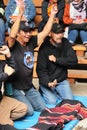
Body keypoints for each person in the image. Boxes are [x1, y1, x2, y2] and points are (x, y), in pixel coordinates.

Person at [7, 4, 58, 115]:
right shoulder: (12, 44)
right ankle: (8, 100)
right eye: (25, 32)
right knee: (29, 111)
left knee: (43, 109)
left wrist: (52, 15)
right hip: (15, 88)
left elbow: (45, 32)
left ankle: (25, 99)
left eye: (30, 31)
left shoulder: (31, 41)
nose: (28, 34)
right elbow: (11, 36)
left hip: (29, 87)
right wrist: (20, 14)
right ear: (18, 33)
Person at [36, 23, 78, 105]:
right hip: (49, 81)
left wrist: (57, 60)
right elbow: (40, 70)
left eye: (61, 32)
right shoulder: (44, 47)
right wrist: (48, 82)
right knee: (52, 101)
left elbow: (74, 60)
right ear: (50, 33)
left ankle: (56, 91)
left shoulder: (65, 42)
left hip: (61, 80)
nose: (60, 35)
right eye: (57, 33)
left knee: (70, 101)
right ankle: (42, 89)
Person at [0, 45, 27, 126]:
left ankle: (3, 117)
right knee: (9, 125)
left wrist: (8, 55)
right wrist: (6, 74)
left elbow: (13, 68)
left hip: (0, 100)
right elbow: (7, 73)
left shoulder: (0, 63)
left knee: (23, 109)